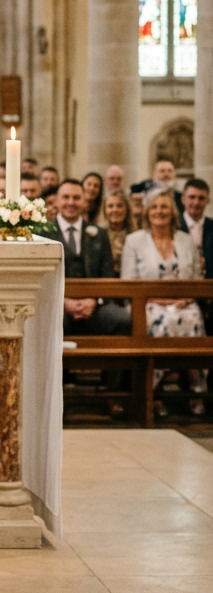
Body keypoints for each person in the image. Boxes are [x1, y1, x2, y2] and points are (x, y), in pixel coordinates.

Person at [121, 190, 206, 417]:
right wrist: (160, 299)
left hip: (183, 304)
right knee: (163, 321)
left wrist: (184, 298)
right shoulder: (134, 240)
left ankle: (196, 390)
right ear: (148, 212)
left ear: (173, 212)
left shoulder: (185, 240)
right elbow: (128, 281)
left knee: (193, 318)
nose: (160, 211)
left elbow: (196, 278)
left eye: (165, 207)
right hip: (147, 304)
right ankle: (153, 392)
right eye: (155, 207)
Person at [40, 179, 131, 335]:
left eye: (76, 198)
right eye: (66, 197)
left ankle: (112, 360)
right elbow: (40, 277)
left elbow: (107, 274)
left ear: (84, 202)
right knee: (52, 321)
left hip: (94, 305)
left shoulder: (99, 234)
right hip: (57, 304)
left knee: (122, 319)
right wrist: (63, 302)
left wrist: (94, 301)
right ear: (56, 201)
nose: (71, 202)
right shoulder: (43, 233)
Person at [98, 189, 136, 275]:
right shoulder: (97, 236)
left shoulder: (135, 236)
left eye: (119, 206)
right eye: (110, 206)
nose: (115, 210)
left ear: (127, 209)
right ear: (104, 210)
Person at [182, 178, 213, 277]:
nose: (196, 202)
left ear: (208, 200)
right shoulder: (173, 227)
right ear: (183, 199)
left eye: (201, 198)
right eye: (192, 197)